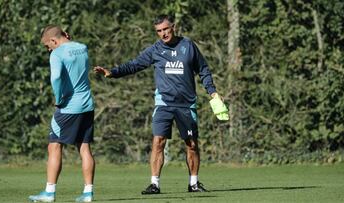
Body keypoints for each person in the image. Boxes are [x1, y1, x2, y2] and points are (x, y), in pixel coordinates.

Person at [94, 14, 222, 194]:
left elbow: (203, 70)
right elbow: (134, 65)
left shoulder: (188, 46)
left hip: (186, 104)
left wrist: (212, 92)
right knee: (158, 142)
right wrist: (112, 72)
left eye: (165, 29)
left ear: (173, 27)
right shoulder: (155, 50)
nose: (162, 34)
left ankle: (193, 183)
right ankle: (154, 184)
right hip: (163, 102)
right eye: (158, 31)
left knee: (191, 144)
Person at [29, 25, 95, 202]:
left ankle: (49, 192)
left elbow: (56, 77)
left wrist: (58, 99)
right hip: (87, 104)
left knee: (54, 145)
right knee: (84, 147)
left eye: (47, 45)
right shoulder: (82, 47)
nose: (48, 49)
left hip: (68, 107)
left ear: (53, 40)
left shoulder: (56, 54)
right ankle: (88, 193)